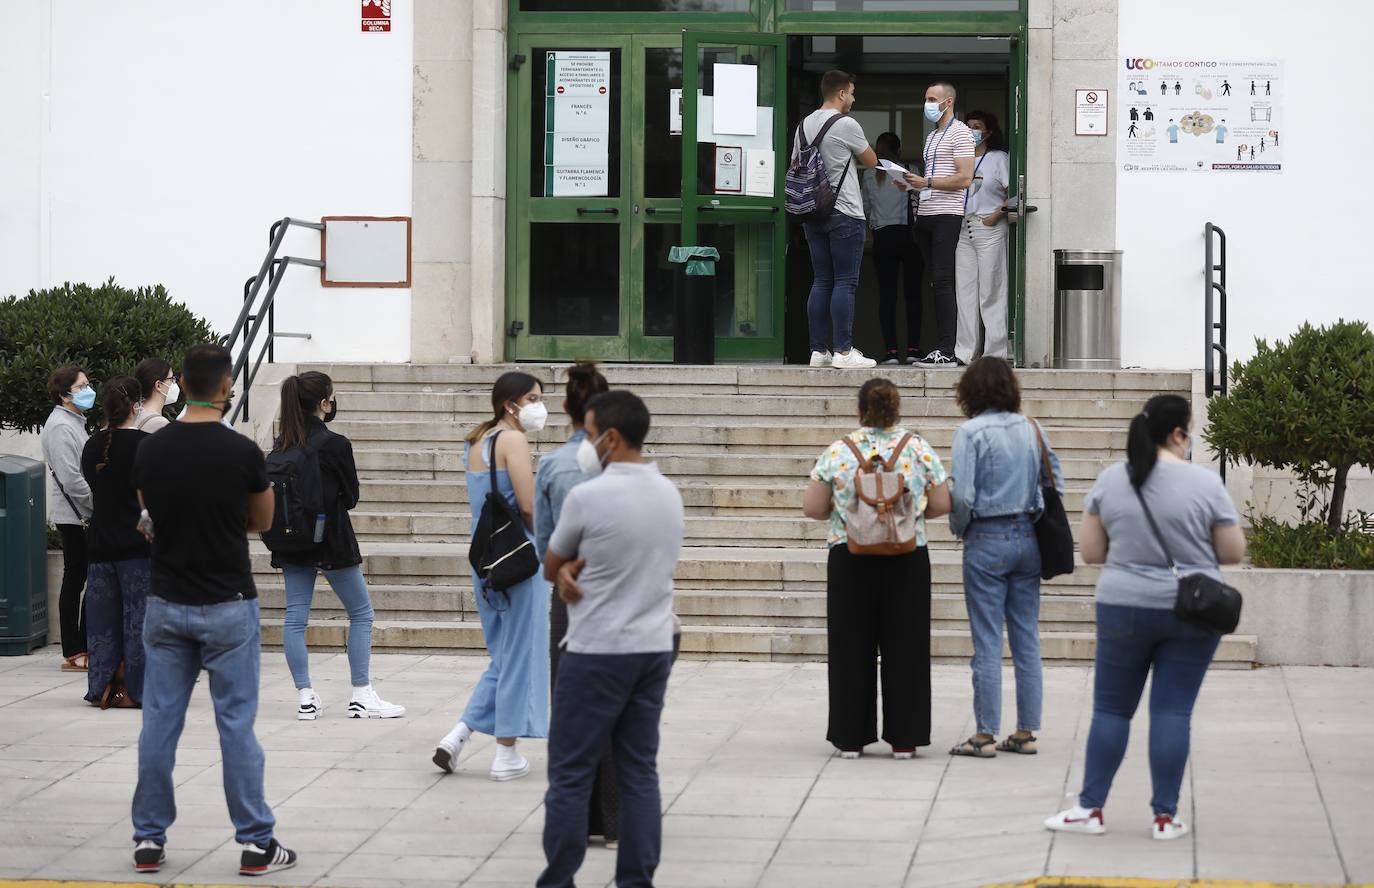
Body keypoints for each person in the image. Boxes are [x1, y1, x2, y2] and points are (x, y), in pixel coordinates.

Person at [1045, 394, 1246, 840]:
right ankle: (1165, 817)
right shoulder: (1205, 484)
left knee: (1112, 711)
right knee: (1173, 712)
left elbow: (1093, 553)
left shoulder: (1112, 481)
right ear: (1178, 434)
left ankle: (1090, 809)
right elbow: (1233, 551)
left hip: (1123, 604)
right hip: (1191, 611)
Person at [131, 344, 297, 876]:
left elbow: (147, 515)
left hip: (166, 600)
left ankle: (149, 839)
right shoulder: (242, 452)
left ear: (181, 381)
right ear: (227, 386)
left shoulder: (150, 450)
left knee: (159, 723)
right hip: (228, 602)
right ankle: (254, 842)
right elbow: (263, 521)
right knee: (236, 726)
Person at [539, 390, 684, 888]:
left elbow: (551, 562)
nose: (585, 443)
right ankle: (636, 879)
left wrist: (567, 571)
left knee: (571, 772)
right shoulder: (668, 491)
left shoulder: (588, 495)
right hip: (653, 644)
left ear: (612, 438)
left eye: (590, 433)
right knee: (639, 769)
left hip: (597, 648)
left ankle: (559, 878)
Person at [803, 378, 951, 758]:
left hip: (849, 556)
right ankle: (905, 738)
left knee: (851, 644)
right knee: (908, 645)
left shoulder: (838, 451)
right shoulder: (917, 448)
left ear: (860, 411)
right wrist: (910, 515)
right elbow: (942, 502)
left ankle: (850, 737)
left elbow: (814, 508)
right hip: (907, 555)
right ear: (897, 409)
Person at [434, 372, 551, 780]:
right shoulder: (513, 440)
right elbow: (528, 504)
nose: (540, 405)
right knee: (521, 653)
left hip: (484, 555)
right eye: (533, 397)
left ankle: (460, 734)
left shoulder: (474, 441)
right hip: (519, 554)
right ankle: (505, 753)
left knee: (505, 653)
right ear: (510, 404)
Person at [948, 358, 1063, 758]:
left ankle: (984, 734)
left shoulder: (970, 432)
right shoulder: (1031, 427)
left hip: (986, 536)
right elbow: (1056, 482)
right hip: (1027, 534)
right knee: (1026, 636)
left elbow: (962, 495)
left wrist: (960, 527)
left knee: (987, 638)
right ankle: (1026, 731)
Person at [272, 372, 404, 721]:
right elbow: (351, 496)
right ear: (323, 403)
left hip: (293, 541)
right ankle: (361, 694)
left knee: (295, 618)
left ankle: (305, 696)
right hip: (332, 539)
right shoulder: (335, 443)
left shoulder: (282, 443)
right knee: (361, 613)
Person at [532, 363, 624, 847]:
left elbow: (545, 545)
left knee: (571, 707)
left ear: (565, 409)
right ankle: (615, 818)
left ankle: (578, 816)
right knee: (617, 707)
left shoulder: (552, 465)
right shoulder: (625, 464)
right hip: (621, 597)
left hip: (569, 596)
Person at [796, 69, 879, 370]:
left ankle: (819, 351)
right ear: (842, 93)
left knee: (821, 280)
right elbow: (871, 161)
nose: (853, 99)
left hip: (812, 211)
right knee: (845, 281)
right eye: (852, 93)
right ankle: (844, 352)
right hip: (844, 211)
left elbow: (796, 163)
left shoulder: (803, 125)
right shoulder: (847, 124)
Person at [80, 376, 150, 709]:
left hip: (99, 544)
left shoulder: (92, 445)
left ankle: (102, 685)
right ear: (137, 405)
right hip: (138, 546)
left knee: (102, 623)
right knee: (139, 622)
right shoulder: (147, 446)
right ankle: (138, 688)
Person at [905, 82, 975, 368]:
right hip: (926, 213)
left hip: (947, 214)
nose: (928, 104)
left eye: (932, 99)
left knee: (944, 281)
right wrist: (912, 185)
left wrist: (928, 182)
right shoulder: (932, 136)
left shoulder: (961, 133)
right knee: (936, 282)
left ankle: (947, 349)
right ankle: (942, 346)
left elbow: (964, 177)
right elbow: (933, 177)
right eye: (926, 98)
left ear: (948, 102)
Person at [42, 365, 94, 672]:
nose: (88, 390)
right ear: (64, 395)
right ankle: (74, 650)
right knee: (76, 579)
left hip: (79, 513)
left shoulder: (74, 421)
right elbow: (71, 478)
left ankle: (79, 647)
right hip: (76, 515)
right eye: (82, 386)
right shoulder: (61, 425)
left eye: (88, 384)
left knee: (79, 577)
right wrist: (97, 503)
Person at [954, 112, 1012, 365]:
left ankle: (995, 353)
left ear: (988, 133)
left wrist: (996, 214)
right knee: (965, 293)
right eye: (967, 127)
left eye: (977, 127)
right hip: (962, 229)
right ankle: (966, 353)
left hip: (989, 228)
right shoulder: (958, 161)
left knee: (991, 291)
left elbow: (1016, 194)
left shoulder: (999, 159)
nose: (971, 131)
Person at [862, 132, 924, 365]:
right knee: (913, 294)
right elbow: (922, 199)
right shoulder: (911, 171)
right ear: (898, 151)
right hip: (910, 237)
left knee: (887, 296)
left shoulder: (869, 175)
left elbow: (866, 208)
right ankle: (913, 348)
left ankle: (891, 352)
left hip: (883, 238)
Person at [133, 358, 179, 433]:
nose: (174, 383)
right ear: (158, 385)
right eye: (171, 379)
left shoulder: (132, 413)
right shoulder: (159, 424)